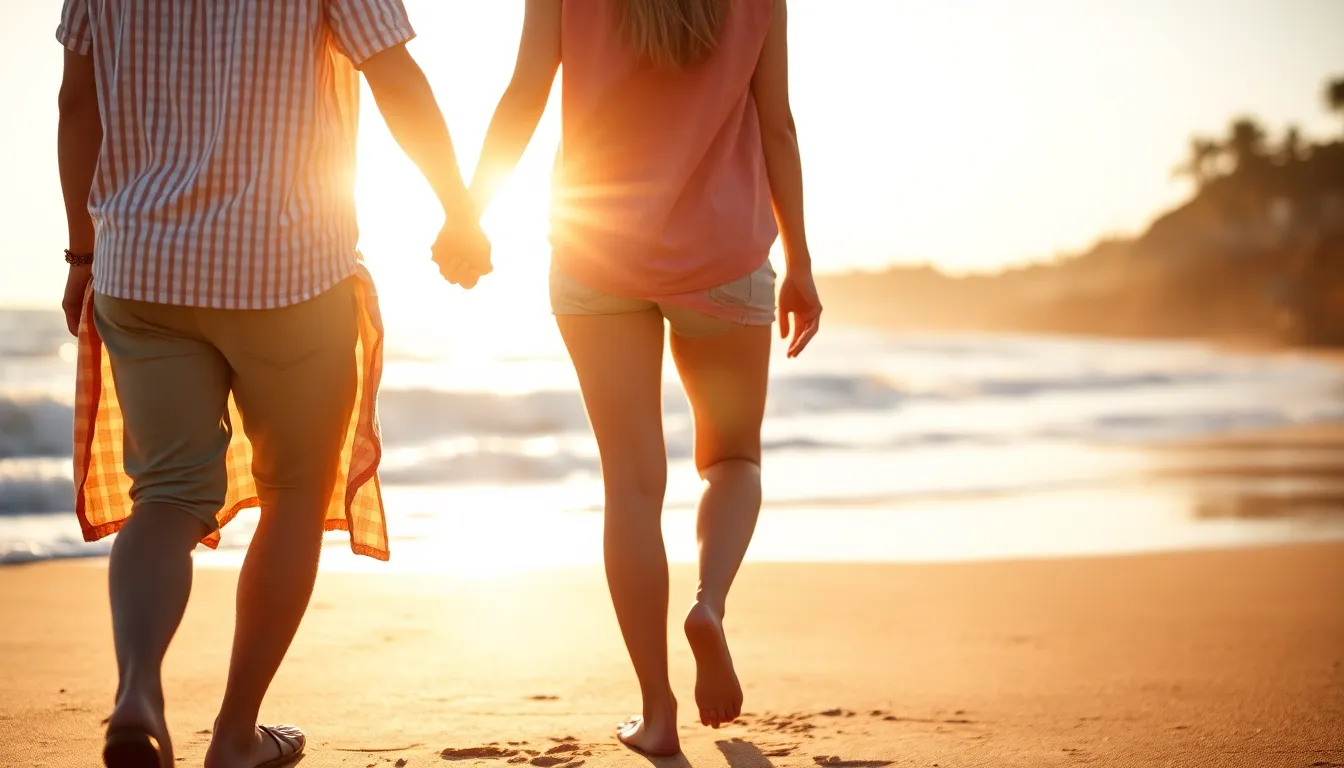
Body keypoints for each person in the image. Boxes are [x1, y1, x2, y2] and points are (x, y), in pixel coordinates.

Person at [55, 1, 490, 766]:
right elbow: (394, 71)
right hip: (287, 268)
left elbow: (75, 98)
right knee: (293, 491)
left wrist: (83, 257)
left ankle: (136, 695)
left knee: (165, 495)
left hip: (143, 265)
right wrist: (458, 208)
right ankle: (233, 736)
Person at [470, 0, 822, 755]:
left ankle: (657, 712)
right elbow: (778, 125)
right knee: (732, 459)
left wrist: (469, 210)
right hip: (722, 261)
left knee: (631, 486)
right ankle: (711, 603)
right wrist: (800, 263)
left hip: (597, 258)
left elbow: (524, 91)